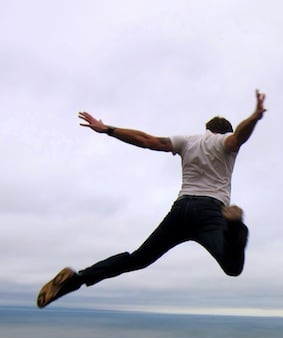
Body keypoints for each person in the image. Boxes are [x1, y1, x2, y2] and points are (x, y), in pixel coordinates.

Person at [37, 90, 267, 308]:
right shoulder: (224, 141)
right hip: (210, 211)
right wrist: (255, 118)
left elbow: (147, 140)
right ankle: (235, 226)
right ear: (223, 131)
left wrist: (108, 129)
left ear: (206, 128)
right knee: (233, 267)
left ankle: (76, 279)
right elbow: (238, 137)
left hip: (181, 210)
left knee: (138, 258)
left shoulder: (187, 141)